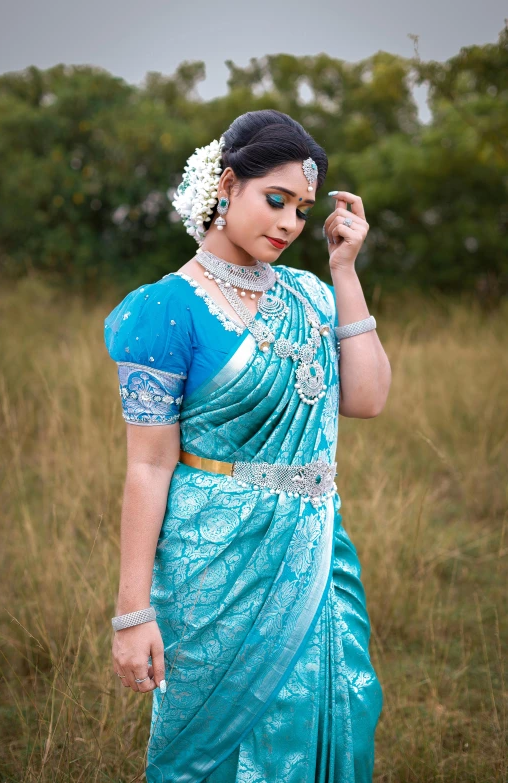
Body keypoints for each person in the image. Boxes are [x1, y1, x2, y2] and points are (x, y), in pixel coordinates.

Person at [104, 109, 391, 783]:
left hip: (317, 552)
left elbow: (368, 399)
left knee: (338, 705)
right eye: (276, 199)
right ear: (227, 185)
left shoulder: (312, 295)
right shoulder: (165, 309)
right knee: (216, 746)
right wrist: (132, 613)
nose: (291, 223)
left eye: (303, 208)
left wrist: (345, 270)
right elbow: (148, 466)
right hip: (217, 566)